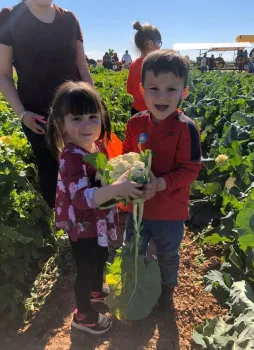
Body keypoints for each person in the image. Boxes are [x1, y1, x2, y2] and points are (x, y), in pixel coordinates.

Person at [46, 81, 144, 334]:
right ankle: (83, 315)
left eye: (93, 117)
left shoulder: (95, 146)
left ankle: (96, 290)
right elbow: (80, 198)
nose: (87, 125)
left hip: (97, 220)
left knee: (101, 256)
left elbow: (102, 178)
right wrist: (118, 188)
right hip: (82, 224)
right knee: (86, 267)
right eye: (77, 118)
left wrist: (115, 182)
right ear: (61, 123)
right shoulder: (71, 157)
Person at [122, 50, 201, 313]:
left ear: (184, 93)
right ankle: (137, 285)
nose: (162, 96)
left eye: (171, 89)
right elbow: (126, 158)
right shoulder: (135, 124)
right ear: (141, 91)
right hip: (137, 209)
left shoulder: (186, 128)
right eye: (154, 88)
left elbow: (191, 169)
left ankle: (166, 291)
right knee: (134, 250)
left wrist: (160, 185)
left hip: (170, 210)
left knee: (168, 254)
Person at [0, 0, 93, 209]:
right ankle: (59, 227)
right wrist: (22, 113)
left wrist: (94, 108)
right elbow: (4, 75)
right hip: (37, 116)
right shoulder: (9, 17)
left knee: (81, 168)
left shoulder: (69, 19)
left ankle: (85, 228)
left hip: (75, 113)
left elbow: (83, 69)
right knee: (51, 173)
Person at [127, 21, 162, 116]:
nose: (159, 47)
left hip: (136, 111)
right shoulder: (156, 65)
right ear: (150, 44)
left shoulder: (133, 64)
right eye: (159, 43)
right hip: (153, 112)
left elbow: (129, 89)